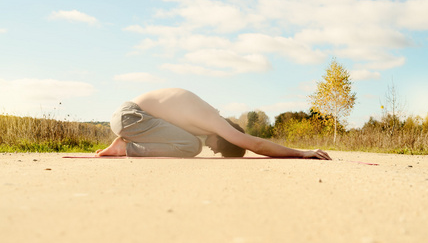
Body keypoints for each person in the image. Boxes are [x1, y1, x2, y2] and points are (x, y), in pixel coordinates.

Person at [96, 88, 331, 160]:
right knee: (191, 147)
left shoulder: (205, 119)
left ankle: (125, 144)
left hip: (131, 118)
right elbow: (256, 144)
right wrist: (301, 153)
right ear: (226, 137)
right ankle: (124, 148)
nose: (215, 150)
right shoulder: (214, 121)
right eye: (221, 149)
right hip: (131, 117)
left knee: (188, 143)